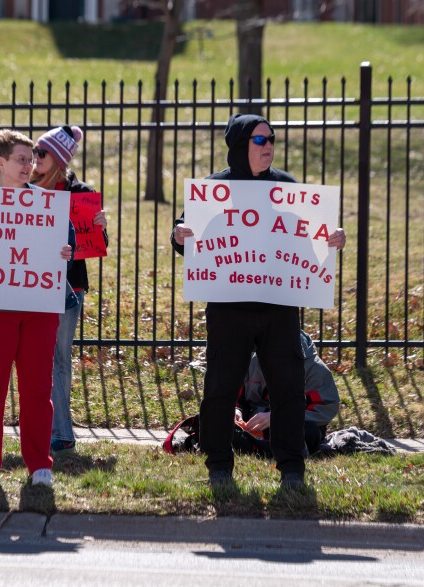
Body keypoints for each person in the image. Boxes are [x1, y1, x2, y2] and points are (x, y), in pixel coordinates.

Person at [170, 114, 346, 489]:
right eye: (260, 140)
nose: (268, 146)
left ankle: (292, 469)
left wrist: (332, 239)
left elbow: (313, 239)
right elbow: (184, 236)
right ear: (239, 145)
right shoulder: (214, 189)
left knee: (287, 387)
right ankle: (219, 464)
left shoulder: (287, 186)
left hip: (279, 306)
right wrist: (180, 233)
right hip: (230, 306)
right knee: (219, 387)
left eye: (272, 139)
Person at [0, 129, 75, 491]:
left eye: (31, 159)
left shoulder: (47, 203)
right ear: (0, 162)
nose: (29, 165)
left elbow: (68, 242)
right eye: (21, 159)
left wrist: (66, 252)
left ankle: (39, 465)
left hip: (38, 309)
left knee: (36, 389)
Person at [30, 125, 108, 454]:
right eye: (34, 152)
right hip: (31, 284)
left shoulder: (81, 194)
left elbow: (96, 245)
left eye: (41, 153)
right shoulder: (26, 189)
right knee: (37, 359)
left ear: (59, 159)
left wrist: (102, 228)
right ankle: (43, 427)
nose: (35, 159)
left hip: (68, 289)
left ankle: (61, 434)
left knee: (58, 360)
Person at [237, 330, 341, 456]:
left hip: (295, 425)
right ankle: (254, 445)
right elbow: (239, 396)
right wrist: (237, 411)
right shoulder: (253, 360)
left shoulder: (315, 369)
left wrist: (279, 417)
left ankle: (251, 446)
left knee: (309, 432)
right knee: (218, 420)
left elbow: (324, 408)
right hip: (255, 422)